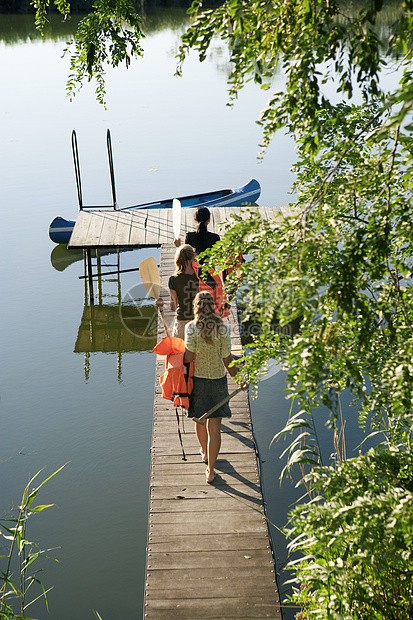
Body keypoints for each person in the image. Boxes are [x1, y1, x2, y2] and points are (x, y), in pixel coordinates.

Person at [184, 291, 240, 484]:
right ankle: (210, 470)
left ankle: (204, 453)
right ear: (213, 307)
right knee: (214, 427)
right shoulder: (223, 329)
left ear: (196, 307)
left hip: (198, 381)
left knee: (199, 420)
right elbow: (227, 359)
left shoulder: (191, 328)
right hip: (217, 381)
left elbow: (189, 357)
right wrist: (239, 380)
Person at [155, 245, 198, 340]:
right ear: (193, 256)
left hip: (182, 322)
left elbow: (173, 307)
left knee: (181, 353)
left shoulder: (174, 279)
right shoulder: (202, 275)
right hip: (200, 320)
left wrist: (161, 303)